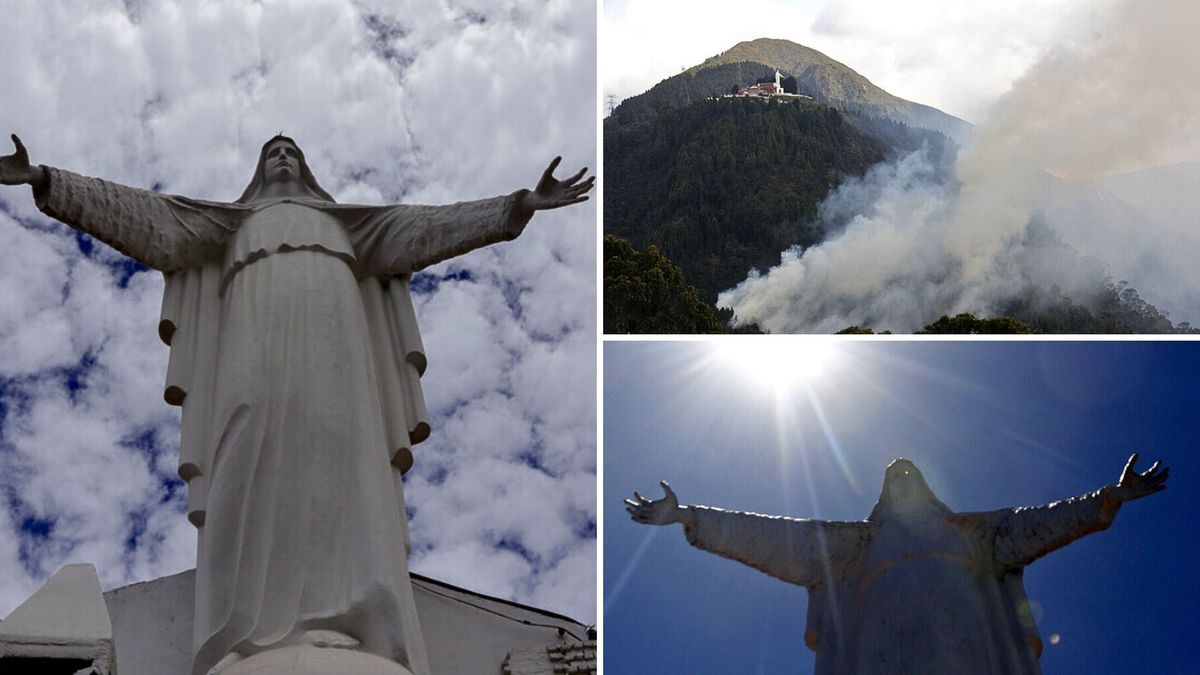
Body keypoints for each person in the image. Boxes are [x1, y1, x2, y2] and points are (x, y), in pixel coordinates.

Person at [1, 133, 592, 675]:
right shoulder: (226, 224)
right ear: (258, 174)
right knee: (246, 446)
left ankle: (343, 621)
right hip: (251, 335)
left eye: (291, 152)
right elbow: (148, 219)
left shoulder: (352, 227)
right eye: (271, 153)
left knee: (336, 455)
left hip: (335, 336)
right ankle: (243, 632)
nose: (282, 157)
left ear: (308, 171)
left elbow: (424, 228)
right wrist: (47, 181)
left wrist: (516, 207)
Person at [626, 454, 1167, 675]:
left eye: (911, 475)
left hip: (965, 650)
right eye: (896, 478)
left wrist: (1109, 498)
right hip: (879, 652)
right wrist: (691, 516)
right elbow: (775, 538)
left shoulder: (976, 536)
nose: (904, 481)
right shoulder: (857, 546)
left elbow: (1043, 522)